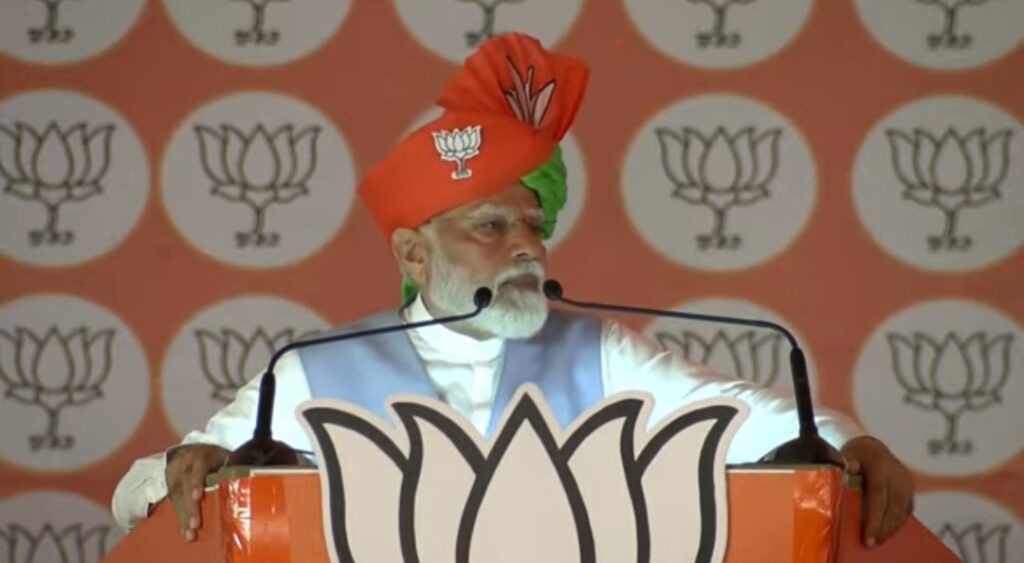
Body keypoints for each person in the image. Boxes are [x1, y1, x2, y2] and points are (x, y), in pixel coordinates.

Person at [111, 32, 913, 548]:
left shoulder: (598, 351)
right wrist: (191, 466)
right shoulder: (312, 371)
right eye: (491, 226)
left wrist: (852, 446)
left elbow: (762, 421)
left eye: (534, 224)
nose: (528, 245)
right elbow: (138, 490)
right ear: (414, 254)